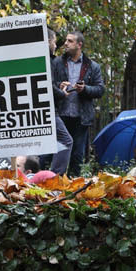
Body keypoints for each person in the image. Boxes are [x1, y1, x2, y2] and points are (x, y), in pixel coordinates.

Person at [51, 30, 105, 176]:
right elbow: (49, 85)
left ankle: (73, 185)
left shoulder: (92, 66)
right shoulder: (57, 63)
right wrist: (59, 86)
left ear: (79, 45)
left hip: (81, 118)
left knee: (77, 156)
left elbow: (100, 89)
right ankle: (55, 182)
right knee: (57, 153)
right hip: (61, 115)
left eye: (70, 41)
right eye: (66, 41)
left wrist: (85, 89)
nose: (65, 44)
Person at [39, 29, 75, 175]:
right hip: (48, 109)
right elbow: (48, 86)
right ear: (47, 41)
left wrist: (58, 87)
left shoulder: (40, 58)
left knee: (42, 145)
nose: (55, 45)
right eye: (54, 41)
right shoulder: (47, 59)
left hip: (41, 108)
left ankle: (36, 174)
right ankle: (54, 177)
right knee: (66, 141)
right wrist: (62, 93)